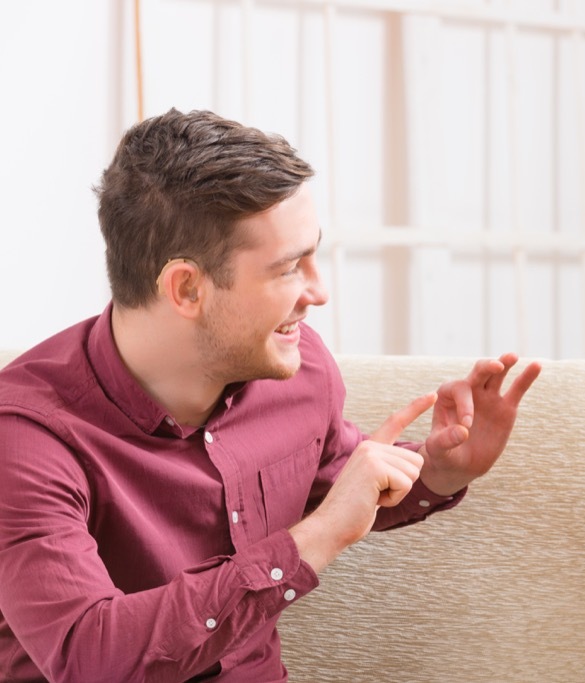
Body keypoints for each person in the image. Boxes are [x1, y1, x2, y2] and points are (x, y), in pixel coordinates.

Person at [0, 108, 541, 682]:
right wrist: (316, 538)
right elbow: (90, 657)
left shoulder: (300, 370)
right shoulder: (26, 438)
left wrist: (438, 472)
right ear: (187, 287)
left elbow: (335, 482)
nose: (319, 292)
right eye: (288, 269)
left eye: (315, 256)